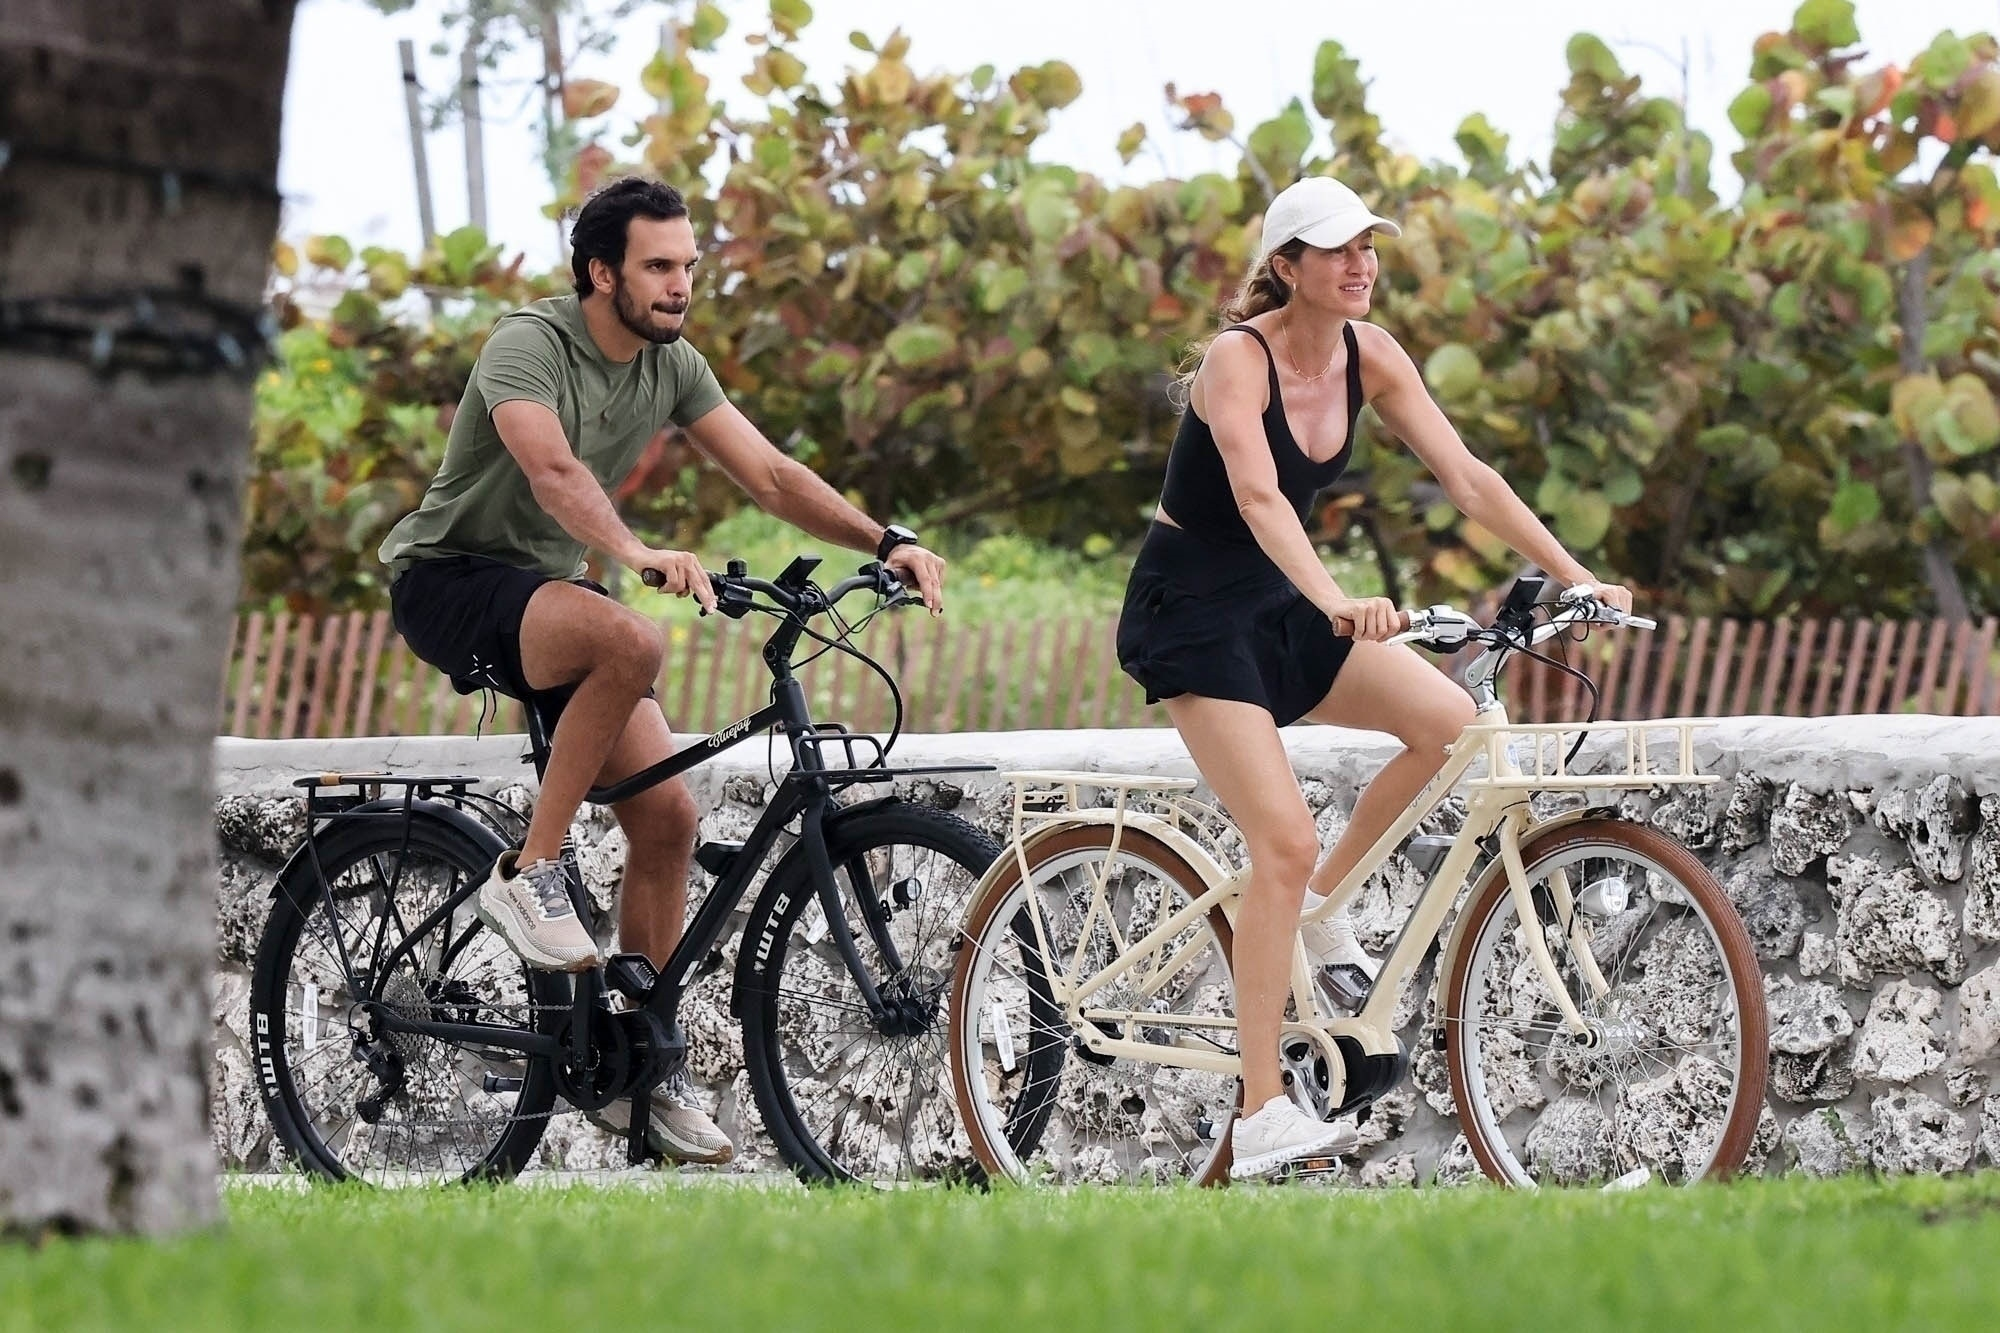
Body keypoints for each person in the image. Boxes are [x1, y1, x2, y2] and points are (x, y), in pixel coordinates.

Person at [378, 176, 947, 1164]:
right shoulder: (530, 343)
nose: (680, 283)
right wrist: (634, 554)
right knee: (631, 638)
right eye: (658, 266)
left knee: (669, 816)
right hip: (452, 581)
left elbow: (768, 474)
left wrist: (882, 536)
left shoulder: (671, 365)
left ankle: (636, 1060)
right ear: (602, 272)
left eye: (687, 265)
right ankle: (530, 872)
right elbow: (553, 472)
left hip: (549, 599)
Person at [1115, 175, 1633, 1180]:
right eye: (1335, 249)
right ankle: (1260, 1107)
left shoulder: (1369, 353)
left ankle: (1318, 905)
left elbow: (1467, 477)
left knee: (1446, 719)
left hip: (1281, 600)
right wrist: (1332, 598)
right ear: (1284, 268)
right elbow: (1259, 498)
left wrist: (1574, 576)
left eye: (1368, 246)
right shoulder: (1235, 361)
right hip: (1194, 611)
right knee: (1279, 836)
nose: (1360, 264)